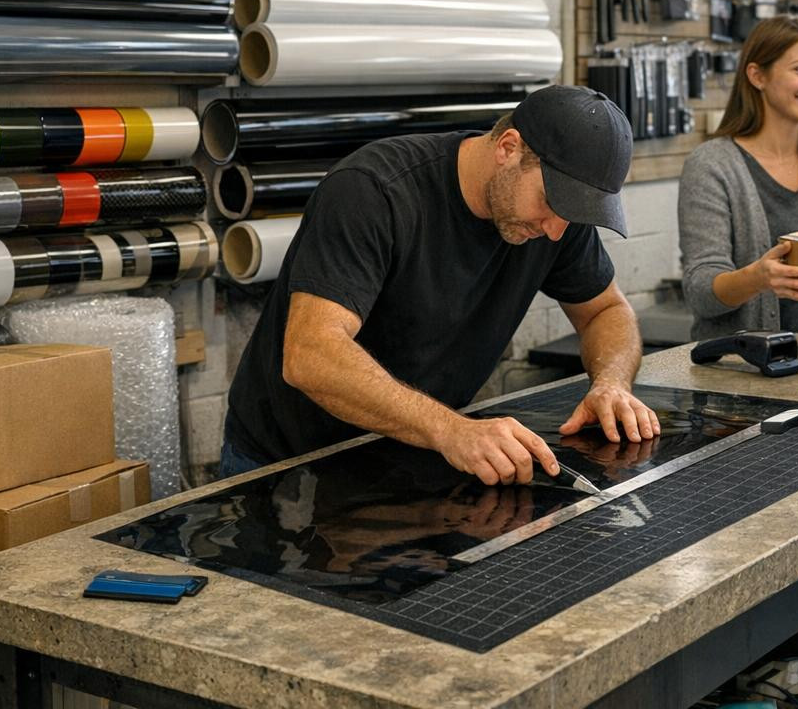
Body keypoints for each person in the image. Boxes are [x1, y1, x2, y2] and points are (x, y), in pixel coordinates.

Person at [222, 84, 662, 485]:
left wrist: (611, 382)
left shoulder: (558, 220)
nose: (554, 231)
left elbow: (606, 310)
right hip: (293, 463)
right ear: (509, 148)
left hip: (412, 452)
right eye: (550, 203)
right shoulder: (374, 192)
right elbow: (311, 356)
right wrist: (452, 429)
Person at [678, 15, 798, 341]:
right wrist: (758, 278)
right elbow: (700, 293)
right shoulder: (713, 165)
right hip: (746, 368)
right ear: (757, 75)